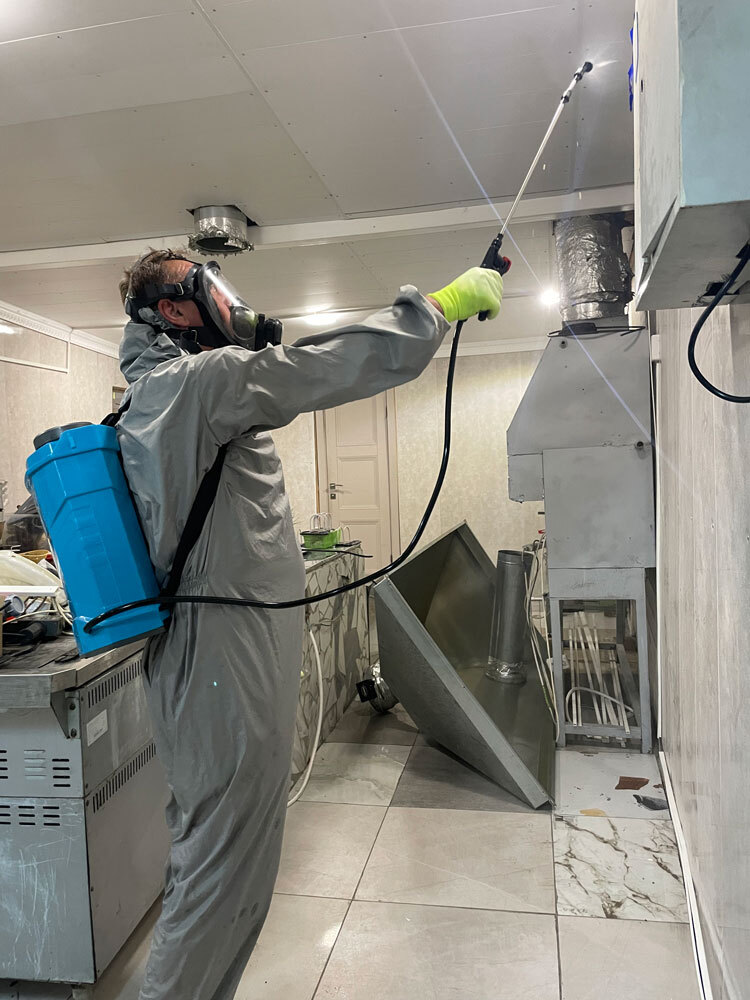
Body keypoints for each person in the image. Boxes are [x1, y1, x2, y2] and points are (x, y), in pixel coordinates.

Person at [115, 249, 503, 1000]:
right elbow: (321, 365)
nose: (228, 300)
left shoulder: (172, 393)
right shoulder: (195, 383)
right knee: (219, 868)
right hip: (220, 655)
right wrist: (437, 307)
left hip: (224, 647)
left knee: (233, 863)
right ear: (173, 311)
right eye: (208, 287)